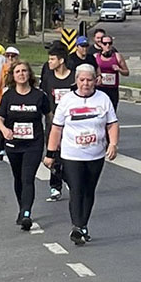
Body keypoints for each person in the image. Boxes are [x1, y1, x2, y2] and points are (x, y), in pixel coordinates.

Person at [44, 64, 119, 245]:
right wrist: (50, 153)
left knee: (88, 190)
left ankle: (83, 224)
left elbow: (112, 123)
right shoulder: (67, 100)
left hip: (95, 154)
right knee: (76, 190)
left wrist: (113, 144)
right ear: (76, 80)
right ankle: (77, 226)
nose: (85, 84)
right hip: (72, 155)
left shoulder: (103, 99)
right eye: (82, 80)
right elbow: (56, 128)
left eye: (89, 80)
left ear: (95, 81)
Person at [0, 61, 50, 232]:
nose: (21, 74)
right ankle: (21, 208)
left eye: (24, 71)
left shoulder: (39, 96)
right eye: (18, 71)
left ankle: (27, 213)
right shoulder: (8, 96)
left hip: (34, 143)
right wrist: (4, 130)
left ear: (29, 74)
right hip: (14, 144)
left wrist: (52, 138)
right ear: (13, 75)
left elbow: (49, 117)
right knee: (18, 178)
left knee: (28, 177)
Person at [39, 45, 75, 202]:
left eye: (52, 59)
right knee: (52, 155)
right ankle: (55, 186)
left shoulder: (74, 77)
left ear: (61, 60)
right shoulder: (48, 78)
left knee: (68, 156)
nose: (49, 62)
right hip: (53, 123)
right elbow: (44, 98)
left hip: (72, 123)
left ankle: (70, 179)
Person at [0, 46, 21, 160]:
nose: (10, 58)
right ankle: (0, 147)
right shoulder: (2, 69)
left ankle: (13, 146)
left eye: (13, 56)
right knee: (2, 125)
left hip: (17, 100)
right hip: (3, 101)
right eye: (7, 56)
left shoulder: (21, 69)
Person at [96, 33, 129, 110]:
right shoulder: (96, 57)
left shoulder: (117, 56)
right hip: (100, 88)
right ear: (101, 44)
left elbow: (127, 72)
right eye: (105, 43)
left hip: (112, 89)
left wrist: (119, 70)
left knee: (112, 111)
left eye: (110, 43)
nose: (107, 45)